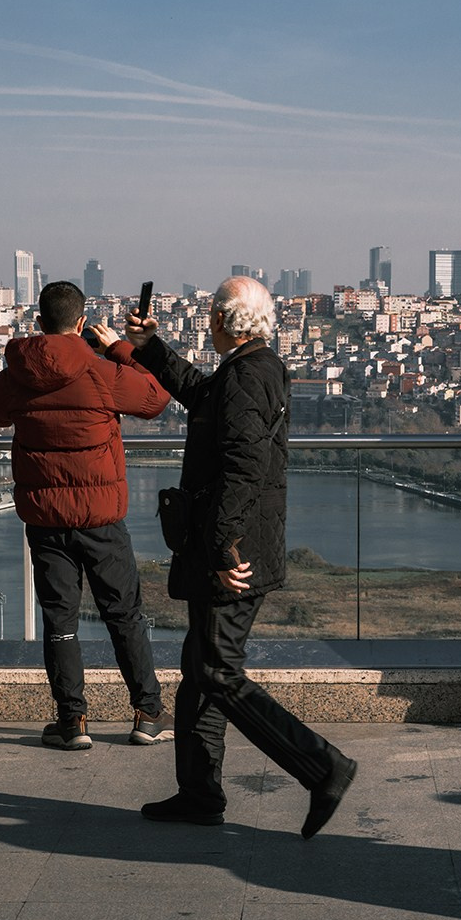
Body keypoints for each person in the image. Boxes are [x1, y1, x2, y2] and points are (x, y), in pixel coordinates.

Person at [123, 275, 357, 837]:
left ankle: (323, 766)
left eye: (210, 313)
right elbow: (200, 395)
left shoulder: (249, 375)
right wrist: (149, 347)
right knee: (201, 671)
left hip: (233, 551)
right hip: (226, 545)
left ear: (225, 320)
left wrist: (225, 544)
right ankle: (199, 794)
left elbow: (245, 467)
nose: (206, 321)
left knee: (215, 670)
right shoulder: (247, 369)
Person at [0, 281, 173, 750]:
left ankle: (73, 722)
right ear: (83, 323)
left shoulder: (20, 371)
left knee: (60, 622)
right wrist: (124, 352)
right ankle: (147, 713)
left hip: (46, 519)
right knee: (124, 615)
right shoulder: (99, 370)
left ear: (39, 323)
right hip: (101, 518)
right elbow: (156, 399)